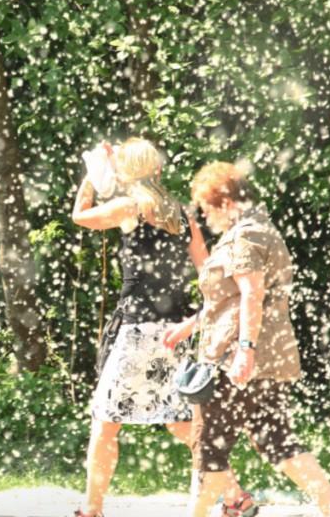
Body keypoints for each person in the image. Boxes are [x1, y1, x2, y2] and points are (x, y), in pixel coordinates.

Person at [163, 161, 330, 517]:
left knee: (208, 448)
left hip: (236, 361)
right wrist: (190, 326)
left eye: (207, 209)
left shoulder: (243, 237)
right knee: (278, 442)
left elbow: (252, 293)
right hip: (272, 358)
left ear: (224, 202)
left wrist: (244, 352)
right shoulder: (264, 229)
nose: (206, 218)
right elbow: (232, 300)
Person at [71, 139, 254, 517]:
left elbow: (80, 214)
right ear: (156, 170)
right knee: (179, 421)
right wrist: (201, 321)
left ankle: (92, 511)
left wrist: (91, 175)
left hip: (136, 330)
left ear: (125, 173)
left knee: (105, 422)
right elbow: (208, 277)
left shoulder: (129, 207)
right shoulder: (184, 216)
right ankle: (235, 496)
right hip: (175, 332)